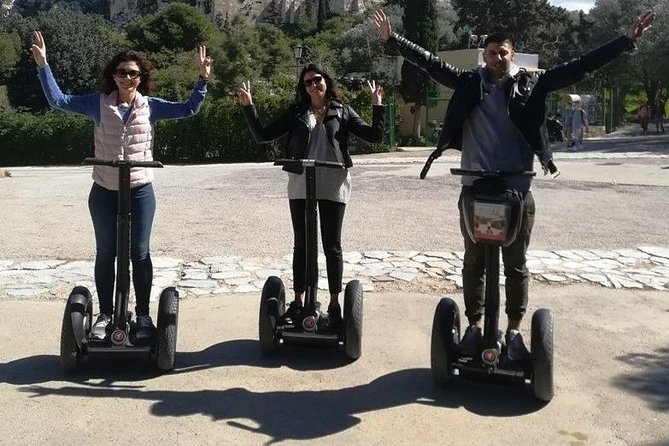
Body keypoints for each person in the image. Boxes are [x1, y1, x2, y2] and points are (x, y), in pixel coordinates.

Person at [374, 9, 655, 360]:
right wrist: (393, 40)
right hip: (475, 187)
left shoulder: (531, 84)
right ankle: (475, 327)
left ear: (512, 54)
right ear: (484, 56)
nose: (497, 58)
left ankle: (514, 330)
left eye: (503, 52)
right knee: (473, 260)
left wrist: (626, 41)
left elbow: (578, 67)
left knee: (516, 262)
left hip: (517, 190)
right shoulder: (466, 82)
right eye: (491, 52)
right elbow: (430, 63)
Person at [31, 31, 212, 341]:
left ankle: (142, 317)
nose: (127, 78)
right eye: (122, 72)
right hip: (104, 190)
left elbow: (187, 109)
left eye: (133, 73)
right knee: (106, 254)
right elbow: (59, 100)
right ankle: (104, 314)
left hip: (140, 189)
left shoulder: (150, 106)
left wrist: (203, 80)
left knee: (139, 255)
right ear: (113, 76)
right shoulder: (97, 104)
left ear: (141, 78)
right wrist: (43, 64)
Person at [238, 64, 384, 326]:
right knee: (302, 243)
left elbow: (375, 136)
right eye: (307, 83)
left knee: (332, 244)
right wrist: (249, 107)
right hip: (301, 182)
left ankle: (335, 303)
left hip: (333, 180)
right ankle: (299, 300)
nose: (313, 85)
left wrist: (378, 106)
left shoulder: (342, 110)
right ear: (303, 88)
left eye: (317, 80)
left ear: (326, 81)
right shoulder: (296, 112)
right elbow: (262, 136)